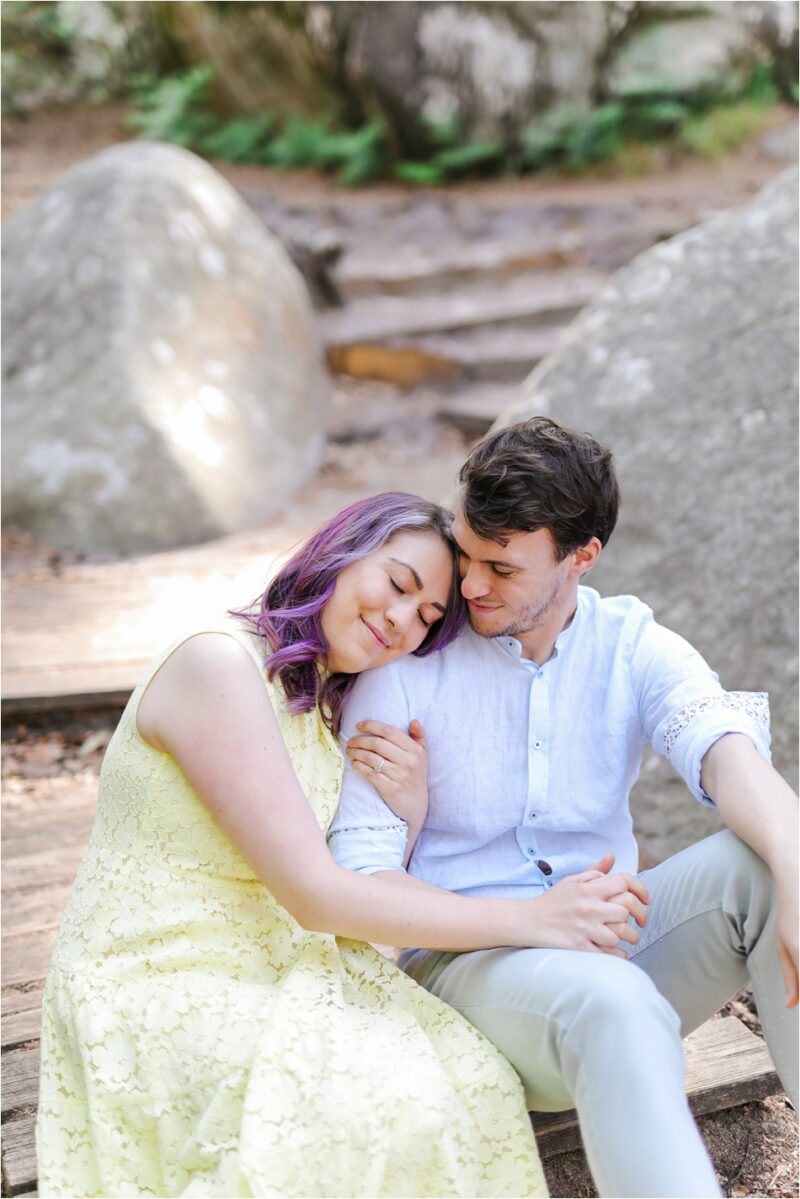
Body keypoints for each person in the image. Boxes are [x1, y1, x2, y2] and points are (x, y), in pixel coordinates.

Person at [36, 491, 557, 1199]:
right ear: (340, 550)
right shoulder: (218, 667)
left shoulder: (316, 712)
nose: (402, 620)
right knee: (367, 1107)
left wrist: (409, 813)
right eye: (399, 584)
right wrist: (534, 918)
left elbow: (351, 893)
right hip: (154, 969)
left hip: (268, 965)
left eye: (427, 617)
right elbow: (316, 895)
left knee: (469, 1074)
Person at [328, 419, 799, 1199]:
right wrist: (537, 917)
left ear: (582, 558)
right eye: (467, 553)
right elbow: (362, 893)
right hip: (468, 969)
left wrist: (792, 861)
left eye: (502, 567)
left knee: (769, 863)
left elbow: (725, 751)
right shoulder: (406, 666)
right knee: (612, 1000)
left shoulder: (630, 644)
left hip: (610, 940)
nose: (470, 585)